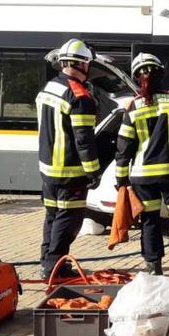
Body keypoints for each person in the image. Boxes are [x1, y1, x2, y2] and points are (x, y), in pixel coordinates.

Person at [115, 53, 169, 276]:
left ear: (138, 78)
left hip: (143, 177)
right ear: (161, 74)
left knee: (150, 222)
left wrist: (120, 179)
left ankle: (154, 268)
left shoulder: (134, 107)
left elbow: (123, 148)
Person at [36, 39, 101, 279]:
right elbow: (83, 139)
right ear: (83, 64)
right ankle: (56, 267)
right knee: (69, 220)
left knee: (52, 216)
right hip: (69, 170)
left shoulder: (49, 87)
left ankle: (47, 262)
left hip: (48, 168)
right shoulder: (79, 96)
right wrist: (93, 171)